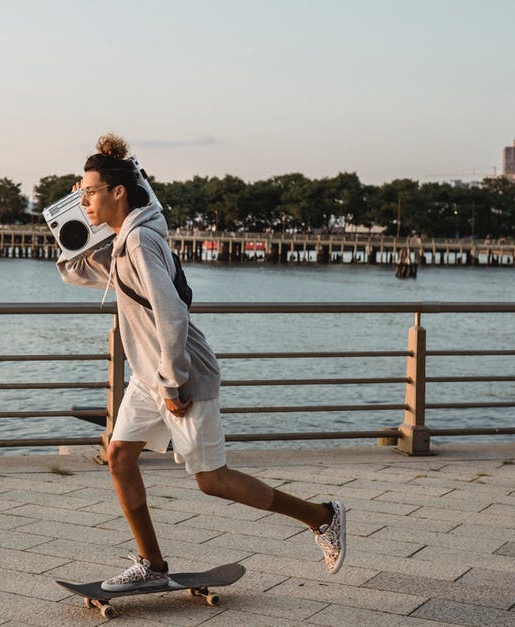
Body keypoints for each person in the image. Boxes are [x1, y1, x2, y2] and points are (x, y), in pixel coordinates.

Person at [56, 134, 345, 592]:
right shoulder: (120, 241)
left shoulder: (140, 241)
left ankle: (321, 516)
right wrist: (79, 220)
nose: (83, 198)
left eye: (90, 191)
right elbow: (73, 271)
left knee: (213, 480)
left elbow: (172, 313)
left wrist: (173, 384)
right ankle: (152, 564)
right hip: (152, 373)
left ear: (118, 192)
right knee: (119, 456)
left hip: (181, 371)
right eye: (81, 192)